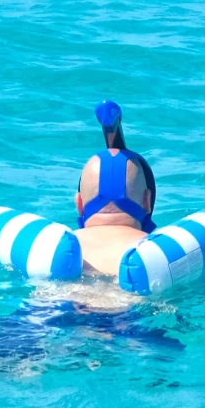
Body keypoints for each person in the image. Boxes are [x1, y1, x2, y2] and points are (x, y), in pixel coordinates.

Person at [73, 101, 158, 277]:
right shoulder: (157, 251)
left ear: (79, 203)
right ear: (147, 201)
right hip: (129, 292)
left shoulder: (55, 246)